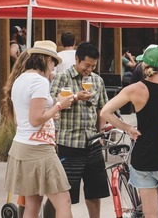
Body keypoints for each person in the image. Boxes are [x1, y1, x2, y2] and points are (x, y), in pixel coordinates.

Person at [100, 45, 158, 218]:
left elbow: (105, 112)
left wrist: (127, 128)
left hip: (142, 158)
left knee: (150, 214)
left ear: (144, 66)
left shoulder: (134, 89)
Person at [3, 41, 74, 218]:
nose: (54, 68)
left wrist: (50, 114)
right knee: (64, 201)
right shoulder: (39, 81)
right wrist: (59, 105)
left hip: (22, 146)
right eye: (54, 63)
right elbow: (35, 120)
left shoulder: (19, 79)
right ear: (46, 59)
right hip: (39, 149)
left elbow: (23, 119)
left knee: (32, 206)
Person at [50, 42, 110, 217]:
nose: (89, 69)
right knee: (65, 194)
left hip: (92, 143)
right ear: (76, 59)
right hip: (69, 142)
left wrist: (100, 133)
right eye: (86, 65)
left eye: (93, 66)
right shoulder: (62, 78)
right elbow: (53, 104)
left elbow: (103, 109)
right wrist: (75, 98)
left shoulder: (97, 80)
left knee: (95, 191)